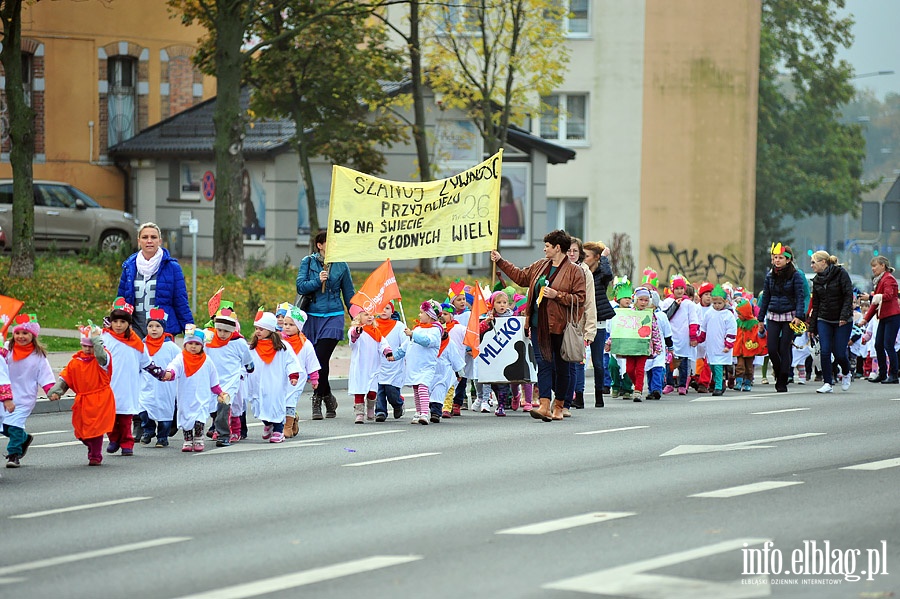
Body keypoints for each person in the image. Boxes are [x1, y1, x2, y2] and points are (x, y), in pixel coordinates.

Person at [490, 229, 586, 422]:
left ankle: (559, 405)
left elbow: (581, 298)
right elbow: (521, 277)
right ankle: (544, 405)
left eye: (548, 246)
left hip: (561, 326)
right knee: (543, 365)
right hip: (537, 325)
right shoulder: (540, 266)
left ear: (558, 248)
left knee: (562, 367)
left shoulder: (575, 271)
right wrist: (500, 261)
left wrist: (557, 295)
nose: (544, 250)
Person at [295, 230, 355, 419]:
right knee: (319, 361)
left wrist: (355, 316)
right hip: (312, 316)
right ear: (320, 245)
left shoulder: (341, 265)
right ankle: (328, 396)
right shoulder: (308, 262)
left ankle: (317, 398)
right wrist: (316, 281)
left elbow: (349, 293)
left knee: (321, 357)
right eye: (330, 242)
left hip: (334, 315)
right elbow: (300, 286)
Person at [47, 326, 116, 466]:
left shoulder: (102, 360)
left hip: (100, 399)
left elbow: (101, 355)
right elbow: (66, 379)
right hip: (83, 400)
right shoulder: (76, 361)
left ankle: (95, 456)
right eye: (85, 346)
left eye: (91, 346)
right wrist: (56, 391)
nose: (87, 349)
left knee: (96, 430)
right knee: (81, 432)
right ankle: (91, 446)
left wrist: (96, 340)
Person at [117, 222, 193, 339]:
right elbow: (121, 300)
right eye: (144, 237)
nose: (149, 241)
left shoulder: (172, 267)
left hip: (162, 330)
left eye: (153, 237)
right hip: (135, 330)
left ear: (160, 241)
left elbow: (181, 302)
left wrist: (190, 332)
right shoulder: (129, 267)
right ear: (139, 241)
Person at [161, 327, 228, 452]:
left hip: (201, 396)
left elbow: (213, 377)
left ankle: (198, 437)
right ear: (185, 344)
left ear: (202, 346)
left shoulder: (207, 360)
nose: (193, 346)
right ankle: (187, 439)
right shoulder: (181, 358)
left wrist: (219, 392)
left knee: (199, 419)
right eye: (190, 343)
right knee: (186, 419)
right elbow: (174, 367)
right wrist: (170, 373)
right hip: (185, 396)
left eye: (197, 344)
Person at [1, 315, 54, 467]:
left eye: (25, 333)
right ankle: (24, 439)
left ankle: (13, 455)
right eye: (17, 333)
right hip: (5, 395)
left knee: (16, 426)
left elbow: (45, 375)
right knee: (4, 426)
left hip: (25, 397)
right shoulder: (7, 349)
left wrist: (51, 390)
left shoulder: (38, 356)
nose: (21, 337)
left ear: (33, 336)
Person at [103, 298, 152, 457]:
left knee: (125, 419)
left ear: (128, 324)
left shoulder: (137, 342)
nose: (118, 325)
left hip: (127, 386)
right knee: (109, 418)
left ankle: (126, 442)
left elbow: (146, 362)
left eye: (122, 322)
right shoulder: (105, 339)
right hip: (108, 385)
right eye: (115, 321)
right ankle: (114, 439)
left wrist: (161, 374)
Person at [757, 243, 808, 393]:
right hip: (773, 315)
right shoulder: (770, 276)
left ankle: (782, 380)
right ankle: (780, 372)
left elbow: (800, 296)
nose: (777, 260)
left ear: (788, 260)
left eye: (780, 258)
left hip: (789, 316)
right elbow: (765, 297)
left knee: (784, 348)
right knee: (772, 349)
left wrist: (799, 316)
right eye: (775, 258)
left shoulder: (796, 275)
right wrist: (760, 318)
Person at [206, 305, 255, 445]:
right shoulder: (210, 340)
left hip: (231, 379)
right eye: (219, 330)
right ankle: (218, 428)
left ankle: (229, 433)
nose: (222, 334)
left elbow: (247, 358)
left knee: (227, 406)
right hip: (215, 379)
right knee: (213, 407)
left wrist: (249, 367)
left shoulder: (238, 342)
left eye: (226, 331)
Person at [247, 312, 300, 442]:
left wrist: (293, 375)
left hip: (275, 382)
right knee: (260, 406)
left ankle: (278, 430)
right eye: (256, 329)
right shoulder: (253, 347)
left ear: (270, 330)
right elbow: (246, 361)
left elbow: (291, 361)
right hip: (258, 383)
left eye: (261, 329)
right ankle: (267, 424)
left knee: (275, 405)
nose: (258, 332)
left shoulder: (282, 347)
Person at [807, 251, 854, 393]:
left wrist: (844, 316)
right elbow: (816, 305)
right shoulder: (816, 280)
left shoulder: (841, 274)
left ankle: (846, 372)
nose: (811, 265)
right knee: (825, 351)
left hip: (842, 319)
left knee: (839, 353)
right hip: (824, 318)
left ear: (823, 262)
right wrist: (812, 327)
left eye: (814, 262)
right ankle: (828, 382)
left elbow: (848, 296)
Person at [138, 308, 179, 447]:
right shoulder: (141, 346)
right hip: (146, 385)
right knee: (143, 408)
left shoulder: (171, 347)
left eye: (157, 326)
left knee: (165, 413)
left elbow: (180, 361)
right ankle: (148, 430)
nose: (154, 329)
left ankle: (162, 436)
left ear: (164, 328)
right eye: (150, 326)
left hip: (165, 386)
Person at [564, 237, 597, 413]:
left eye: (575, 251)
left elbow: (590, 303)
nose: (571, 254)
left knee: (577, 361)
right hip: (562, 323)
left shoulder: (585, 273)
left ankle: (579, 395)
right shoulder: (558, 269)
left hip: (578, 324)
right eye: (569, 250)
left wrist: (589, 331)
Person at [858, 255, 900, 384]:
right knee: (878, 345)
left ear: (883, 266)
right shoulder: (880, 280)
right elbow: (875, 303)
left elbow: (888, 296)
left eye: (875, 266)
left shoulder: (889, 279)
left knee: (888, 345)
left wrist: (875, 297)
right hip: (884, 316)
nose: (873, 269)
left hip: (892, 316)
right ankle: (882, 373)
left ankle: (893, 374)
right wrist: (865, 319)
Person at [400, 300, 443, 425]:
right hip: (414, 365)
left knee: (423, 387)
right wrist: (393, 355)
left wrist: (413, 334)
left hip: (426, 366)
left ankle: (424, 413)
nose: (419, 315)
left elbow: (427, 341)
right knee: (416, 389)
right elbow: (406, 346)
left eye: (422, 313)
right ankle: (418, 412)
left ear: (430, 315)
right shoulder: (418, 328)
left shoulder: (435, 331)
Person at [583, 242, 615, 407]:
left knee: (598, 362)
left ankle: (599, 394)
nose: (584, 259)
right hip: (582, 322)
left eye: (587, 255)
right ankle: (578, 396)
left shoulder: (601, 274)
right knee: (579, 360)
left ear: (596, 257)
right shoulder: (580, 272)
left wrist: (604, 259)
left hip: (599, 323)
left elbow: (608, 274)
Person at [347, 308, 393, 424]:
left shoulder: (376, 331)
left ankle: (371, 407)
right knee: (359, 389)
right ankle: (359, 413)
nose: (369, 317)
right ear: (359, 317)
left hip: (373, 366)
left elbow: (383, 343)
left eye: (371, 315)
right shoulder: (356, 330)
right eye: (366, 315)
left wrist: (387, 351)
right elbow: (352, 339)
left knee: (372, 391)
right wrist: (356, 333)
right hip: (360, 366)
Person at [281, 306, 320, 437]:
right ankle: (293, 419)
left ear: (299, 327)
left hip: (298, 379)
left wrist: (314, 378)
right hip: (281, 377)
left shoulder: (305, 344)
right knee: (280, 401)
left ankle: (287, 426)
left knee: (290, 400)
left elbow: (311, 362)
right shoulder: (279, 341)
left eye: (291, 324)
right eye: (285, 324)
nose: (287, 327)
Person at [698, 285, 737, 397]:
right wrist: (699, 339)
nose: (717, 306)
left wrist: (728, 344)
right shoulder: (709, 313)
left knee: (719, 366)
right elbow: (704, 328)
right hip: (711, 345)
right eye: (715, 303)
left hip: (721, 346)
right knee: (713, 366)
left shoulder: (728, 315)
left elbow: (731, 330)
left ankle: (718, 387)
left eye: (719, 303)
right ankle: (720, 383)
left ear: (724, 302)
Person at [499, 176, 525, 240]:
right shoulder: (494, 206)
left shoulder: (517, 202)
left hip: (514, 241)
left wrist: (517, 240)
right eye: (501, 189)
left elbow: (521, 225)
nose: (503, 192)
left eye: (506, 189)